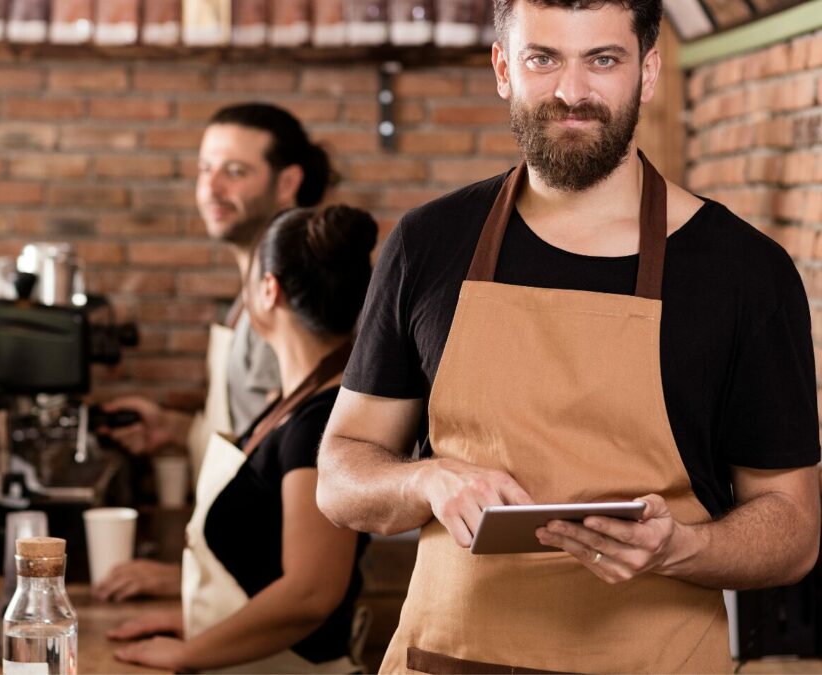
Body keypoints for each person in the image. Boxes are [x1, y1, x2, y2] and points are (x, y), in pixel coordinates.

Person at [316, 1, 821, 673]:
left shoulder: (744, 273)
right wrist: (426, 480)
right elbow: (338, 476)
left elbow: (793, 525)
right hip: (447, 659)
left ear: (647, 72)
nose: (571, 92)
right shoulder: (427, 244)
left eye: (603, 60)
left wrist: (682, 547)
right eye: (542, 58)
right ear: (503, 68)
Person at [108, 205, 377, 672]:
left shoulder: (316, 425)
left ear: (268, 291)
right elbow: (264, 568)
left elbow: (310, 592)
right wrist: (195, 621)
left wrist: (190, 652)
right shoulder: (289, 407)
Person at [93, 103, 338, 602]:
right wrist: (173, 428)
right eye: (205, 169)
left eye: (235, 171)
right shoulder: (247, 302)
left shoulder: (287, 308)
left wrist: (183, 580)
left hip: (264, 594)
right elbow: (253, 433)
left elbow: (295, 471)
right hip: (234, 590)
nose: (211, 187)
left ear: (288, 182)